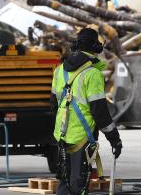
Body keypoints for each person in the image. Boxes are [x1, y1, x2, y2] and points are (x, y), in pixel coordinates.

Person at [51, 28, 123, 195]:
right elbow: (100, 113)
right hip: (82, 137)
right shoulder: (93, 74)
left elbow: (53, 104)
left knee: (64, 182)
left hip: (61, 134)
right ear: (95, 47)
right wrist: (115, 139)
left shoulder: (59, 71)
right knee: (79, 184)